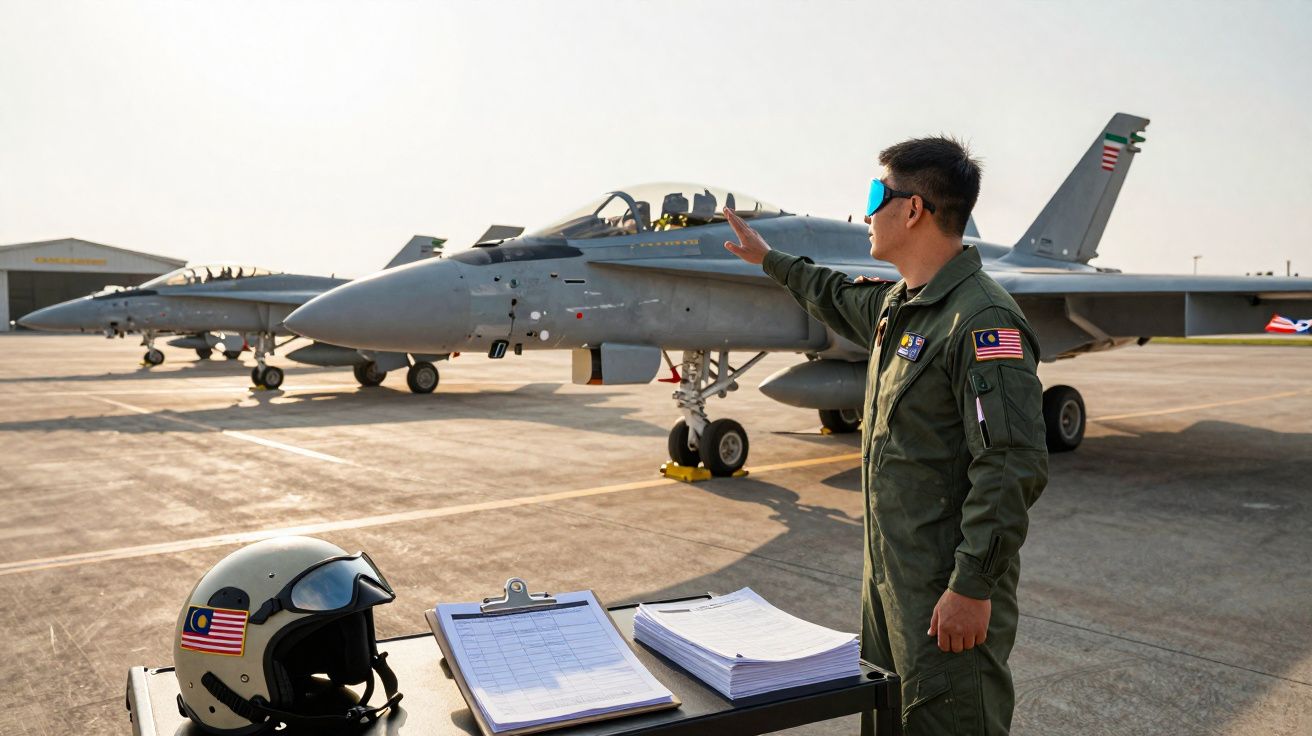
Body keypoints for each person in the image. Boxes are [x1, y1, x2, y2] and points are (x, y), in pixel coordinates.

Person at [723, 136, 1048, 734]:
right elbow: (833, 295)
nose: (867, 210)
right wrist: (769, 259)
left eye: (876, 194)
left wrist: (972, 587)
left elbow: (1009, 464)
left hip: (945, 597)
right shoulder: (902, 307)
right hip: (890, 588)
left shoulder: (981, 321)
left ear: (914, 209)